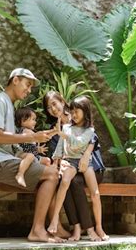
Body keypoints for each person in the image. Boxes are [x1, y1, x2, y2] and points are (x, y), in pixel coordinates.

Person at [0, 68, 64, 243]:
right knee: (52, 174)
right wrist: (32, 136)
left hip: (5, 158)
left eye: (31, 87)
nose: (29, 90)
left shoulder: (9, 104)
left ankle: (55, 227)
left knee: (49, 170)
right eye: (27, 84)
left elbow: (12, 144)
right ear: (15, 80)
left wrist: (36, 154)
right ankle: (38, 230)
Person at [45, 93, 108, 241]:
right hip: (71, 163)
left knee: (91, 191)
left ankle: (95, 227)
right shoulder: (61, 128)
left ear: (62, 101)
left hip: (91, 165)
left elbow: (85, 139)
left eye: (54, 104)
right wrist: (57, 162)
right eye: (49, 107)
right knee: (64, 181)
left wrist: (86, 153)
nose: (53, 109)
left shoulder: (86, 129)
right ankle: (73, 226)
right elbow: (59, 148)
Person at [14, 107, 51, 188]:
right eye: (33, 119)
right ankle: (20, 174)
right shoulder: (24, 130)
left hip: (34, 156)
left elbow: (31, 146)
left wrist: (38, 149)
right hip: (22, 154)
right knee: (30, 156)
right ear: (23, 120)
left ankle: (44, 178)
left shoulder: (30, 132)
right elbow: (41, 135)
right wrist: (54, 131)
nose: (35, 122)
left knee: (47, 160)